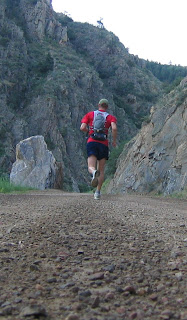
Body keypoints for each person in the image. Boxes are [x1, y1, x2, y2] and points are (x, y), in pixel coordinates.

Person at [80, 99, 117, 200]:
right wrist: (113, 140)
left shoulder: (90, 114)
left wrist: (89, 131)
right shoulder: (110, 117)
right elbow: (114, 128)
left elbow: (82, 127)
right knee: (102, 170)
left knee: (90, 166)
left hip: (92, 142)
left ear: (99, 105)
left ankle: (93, 172)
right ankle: (97, 192)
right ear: (107, 107)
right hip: (103, 144)